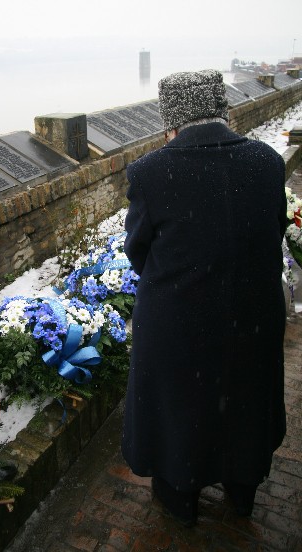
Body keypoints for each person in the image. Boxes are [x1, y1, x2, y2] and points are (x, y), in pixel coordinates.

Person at [121, 69, 287, 526]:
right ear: (223, 111)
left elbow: (138, 250)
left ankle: (181, 497)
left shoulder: (150, 172)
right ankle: (242, 491)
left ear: (170, 122)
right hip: (254, 315)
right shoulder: (268, 162)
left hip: (180, 321)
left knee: (181, 410)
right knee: (246, 402)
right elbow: (273, 230)